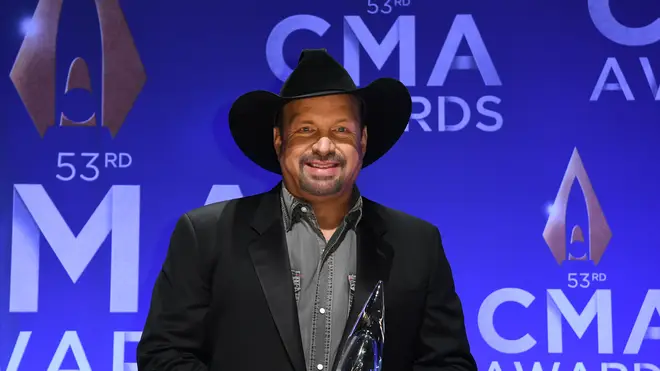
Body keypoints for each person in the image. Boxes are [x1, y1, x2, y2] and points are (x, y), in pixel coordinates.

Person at [137, 49, 477, 371]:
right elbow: (164, 355)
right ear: (278, 140)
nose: (324, 146)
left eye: (341, 130)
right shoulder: (208, 235)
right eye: (306, 130)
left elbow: (449, 364)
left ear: (362, 141)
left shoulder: (418, 243)